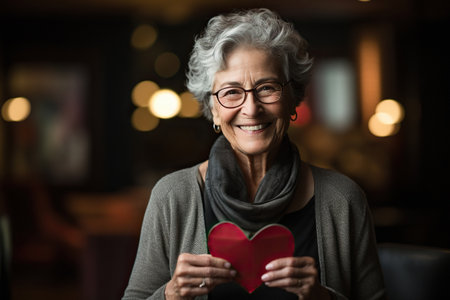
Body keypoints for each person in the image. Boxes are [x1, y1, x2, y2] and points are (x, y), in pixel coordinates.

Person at [122, 8, 386, 300]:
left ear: (292, 100)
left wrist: (323, 297)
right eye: (232, 92)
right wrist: (170, 295)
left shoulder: (343, 199)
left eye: (267, 88)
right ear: (213, 110)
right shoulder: (172, 196)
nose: (251, 109)